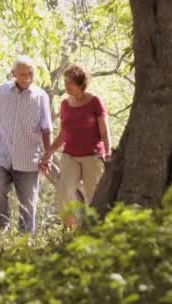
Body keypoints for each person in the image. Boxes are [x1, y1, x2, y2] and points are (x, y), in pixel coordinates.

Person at [0, 55, 52, 233]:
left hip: (29, 158)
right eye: (23, 74)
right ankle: (3, 231)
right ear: (14, 73)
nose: (27, 77)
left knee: (28, 202)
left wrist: (48, 155)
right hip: (2, 154)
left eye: (30, 73)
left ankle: (24, 240)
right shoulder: (0, 92)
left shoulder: (41, 97)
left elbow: (46, 129)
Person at [41, 64, 111, 227]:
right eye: (65, 82)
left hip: (92, 156)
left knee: (92, 196)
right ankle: (70, 229)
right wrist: (49, 152)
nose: (66, 86)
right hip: (70, 155)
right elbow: (63, 134)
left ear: (81, 84)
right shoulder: (65, 104)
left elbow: (105, 132)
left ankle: (95, 230)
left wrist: (108, 154)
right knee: (64, 191)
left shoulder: (95, 102)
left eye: (70, 83)